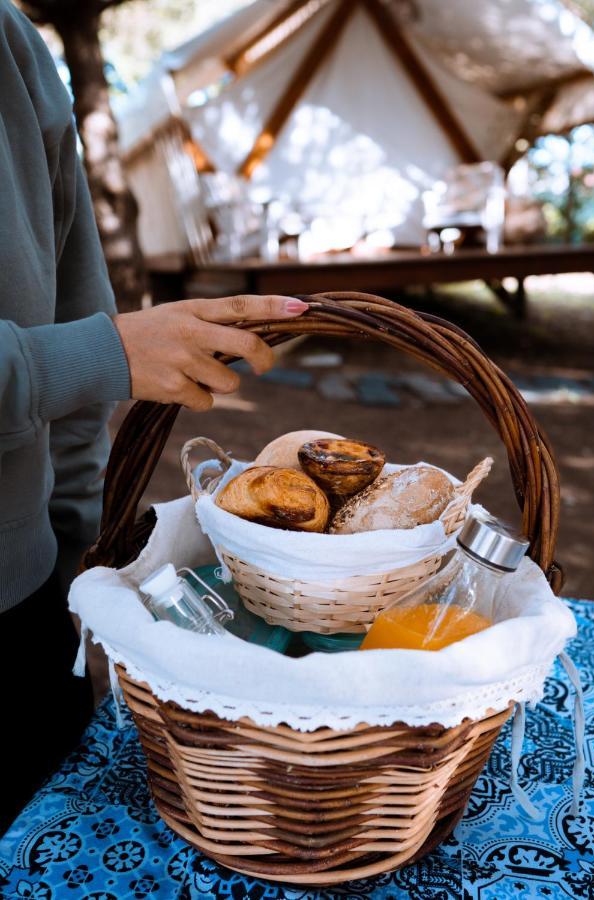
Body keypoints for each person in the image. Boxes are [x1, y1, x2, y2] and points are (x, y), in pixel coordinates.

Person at [0, 0, 308, 834]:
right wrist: (104, 354)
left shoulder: (16, 48)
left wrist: (80, 561)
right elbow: (85, 352)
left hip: (22, 608)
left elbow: (71, 314)